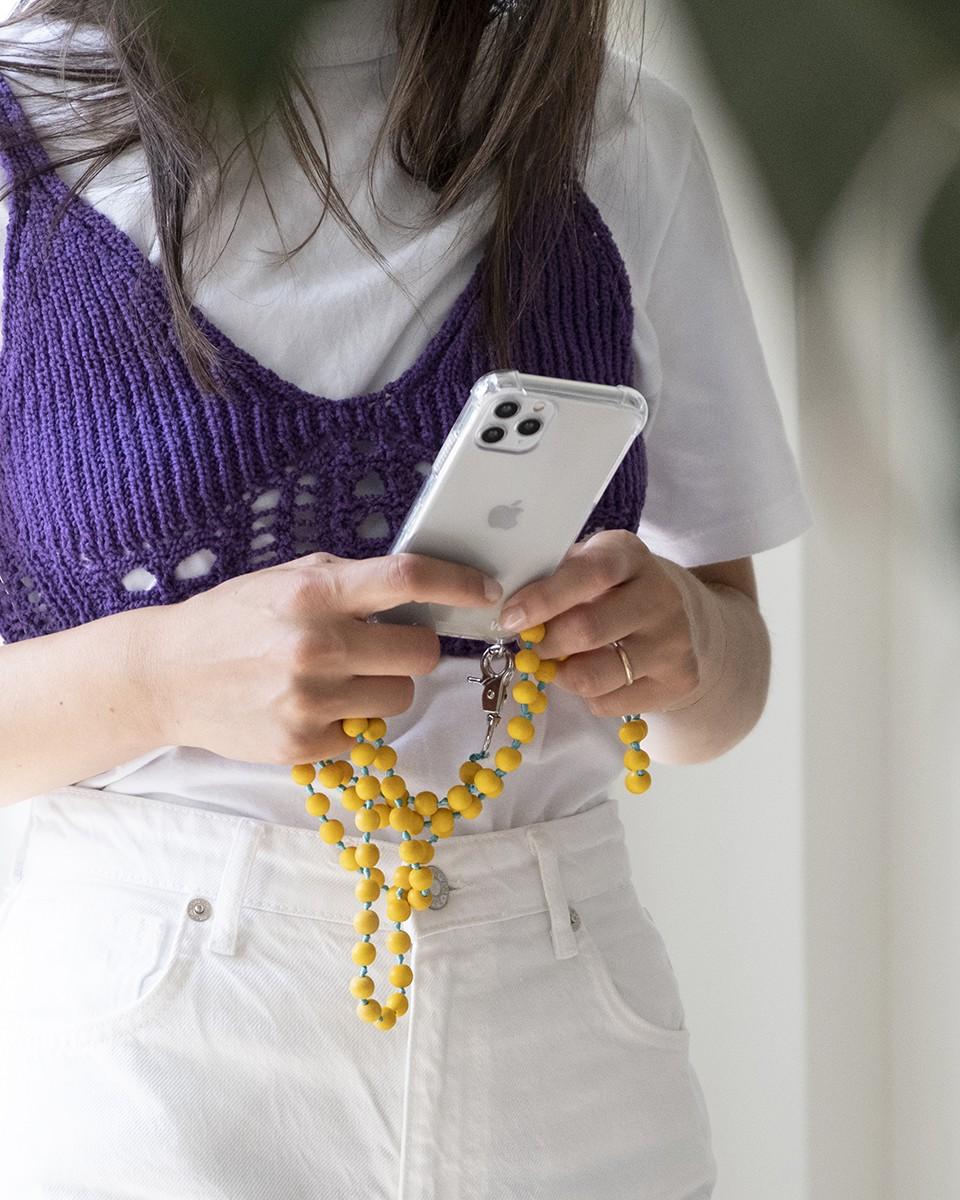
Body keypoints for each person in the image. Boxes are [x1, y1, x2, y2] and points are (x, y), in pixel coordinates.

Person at [0, 1, 813, 1196]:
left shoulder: (610, 129)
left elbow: (727, 682)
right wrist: (161, 675)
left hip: (566, 1020)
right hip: (155, 1047)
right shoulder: (26, 127)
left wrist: (685, 643)